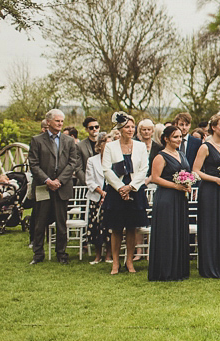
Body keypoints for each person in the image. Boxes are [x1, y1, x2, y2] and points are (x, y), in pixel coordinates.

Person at [27, 108, 80, 265]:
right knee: (40, 222)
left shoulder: (68, 141)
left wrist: (59, 180)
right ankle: (38, 254)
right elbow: (34, 164)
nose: (60, 124)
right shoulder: (37, 140)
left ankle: (62, 254)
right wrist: (48, 180)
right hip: (44, 186)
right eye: (57, 121)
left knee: (61, 223)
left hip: (62, 187)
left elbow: (73, 162)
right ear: (48, 122)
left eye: (62, 121)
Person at [101, 112, 150, 275]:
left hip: (135, 190)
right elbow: (106, 168)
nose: (130, 129)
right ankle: (115, 262)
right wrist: (121, 188)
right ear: (120, 129)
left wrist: (130, 187)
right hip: (116, 191)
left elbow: (144, 169)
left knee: (131, 227)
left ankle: (129, 260)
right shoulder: (110, 146)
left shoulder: (141, 146)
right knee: (116, 228)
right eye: (127, 127)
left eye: (132, 126)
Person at [192, 113, 220, 278]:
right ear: (214, 127)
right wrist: (216, 180)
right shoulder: (205, 147)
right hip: (209, 191)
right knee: (209, 227)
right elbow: (195, 171)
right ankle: (208, 267)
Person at [147, 125, 192, 281]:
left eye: (180, 137)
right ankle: (165, 270)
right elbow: (155, 178)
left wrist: (188, 184)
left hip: (180, 198)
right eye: (175, 137)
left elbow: (186, 172)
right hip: (166, 198)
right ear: (166, 139)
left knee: (179, 230)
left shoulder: (181, 154)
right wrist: (176, 186)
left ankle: (179, 269)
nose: (179, 139)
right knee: (167, 232)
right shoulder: (160, 156)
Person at [85, 132, 110, 265]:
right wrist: (101, 193)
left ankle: (109, 255)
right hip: (96, 198)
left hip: (111, 198)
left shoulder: (114, 160)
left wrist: (108, 194)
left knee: (109, 227)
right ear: (100, 145)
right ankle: (97, 255)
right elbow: (89, 181)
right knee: (96, 227)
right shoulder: (92, 161)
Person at [75, 116, 100, 186]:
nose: (94, 129)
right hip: (86, 184)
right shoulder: (80, 146)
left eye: (96, 127)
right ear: (86, 129)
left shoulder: (106, 143)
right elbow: (78, 168)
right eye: (91, 128)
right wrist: (89, 183)